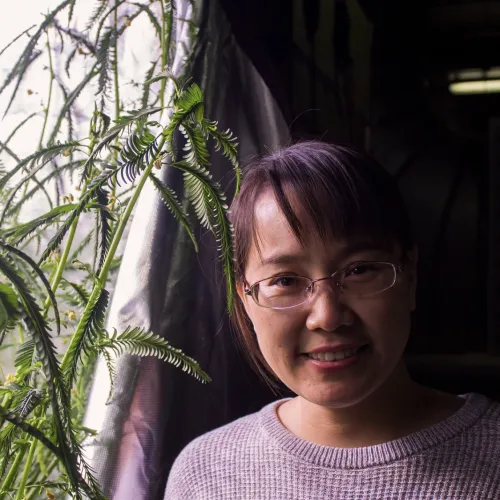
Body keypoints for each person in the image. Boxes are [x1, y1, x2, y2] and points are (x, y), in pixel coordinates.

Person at [164, 141, 500, 499]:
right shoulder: (206, 475)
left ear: (410, 276)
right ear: (246, 298)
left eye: (359, 270)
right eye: (285, 281)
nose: (327, 317)